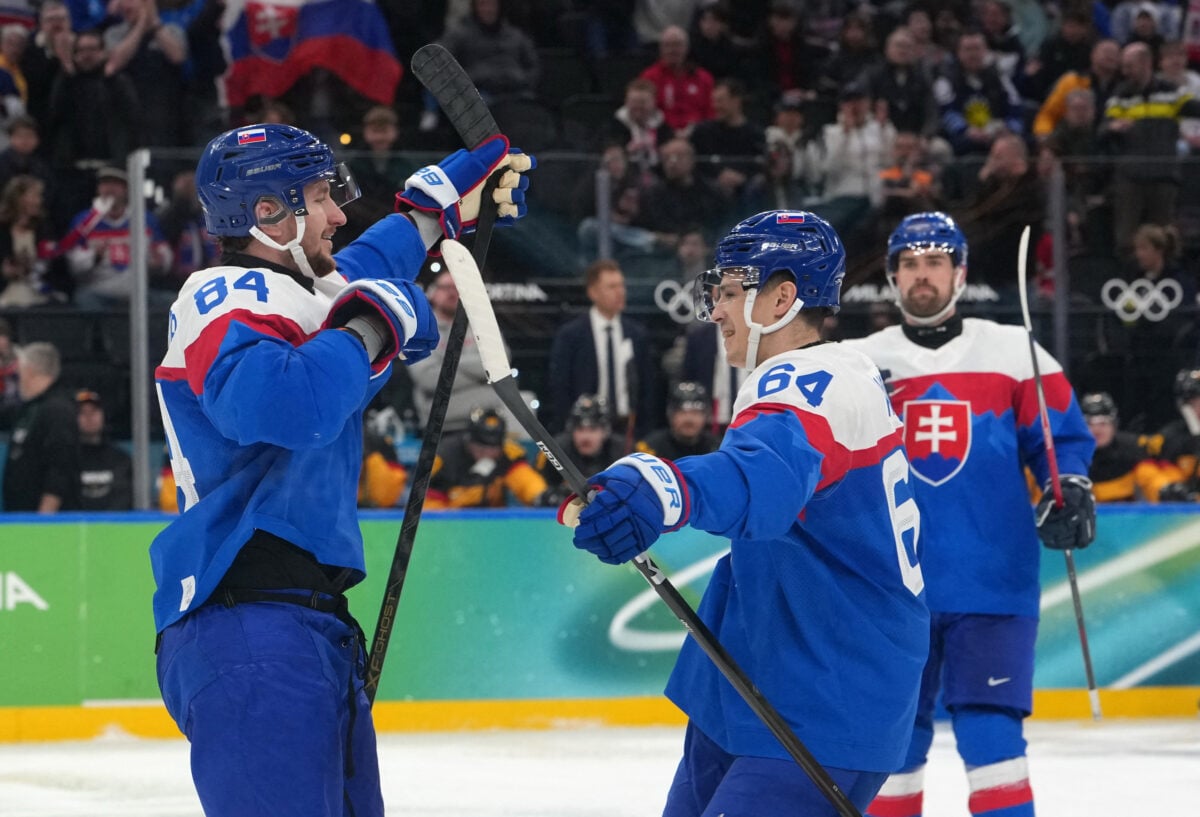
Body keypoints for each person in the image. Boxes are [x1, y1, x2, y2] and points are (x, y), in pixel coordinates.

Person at [150, 122, 533, 816]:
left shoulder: (299, 291)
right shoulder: (223, 296)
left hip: (301, 628)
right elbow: (289, 403)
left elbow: (362, 268)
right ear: (267, 213)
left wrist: (431, 208)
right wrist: (374, 326)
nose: (336, 214)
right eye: (320, 197)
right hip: (250, 628)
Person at [563, 209, 929, 816]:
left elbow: (763, 480)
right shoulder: (834, 370)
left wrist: (664, 485)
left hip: (823, 693)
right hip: (766, 678)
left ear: (784, 297)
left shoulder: (807, 382)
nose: (716, 310)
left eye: (731, 292)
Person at [839, 212, 1096, 817]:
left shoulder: (1013, 352)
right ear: (893, 277)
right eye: (908, 264)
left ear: (960, 273)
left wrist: (1072, 490)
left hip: (993, 581)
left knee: (992, 737)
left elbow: (1062, 445)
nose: (920, 276)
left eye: (934, 262)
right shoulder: (857, 361)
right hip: (892, 585)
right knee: (894, 747)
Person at [547, 258, 658, 439]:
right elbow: (560, 389)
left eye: (621, 286)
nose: (620, 292)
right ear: (593, 292)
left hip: (627, 431)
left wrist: (643, 433)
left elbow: (647, 388)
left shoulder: (637, 334)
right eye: (612, 287)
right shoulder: (571, 335)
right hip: (585, 431)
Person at [406, 268, 506, 433]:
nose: (452, 293)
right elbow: (428, 379)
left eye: (458, 287)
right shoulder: (419, 330)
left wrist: (447, 362)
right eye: (446, 287)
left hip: (491, 424)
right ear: (433, 293)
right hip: (439, 428)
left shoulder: (483, 325)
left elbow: (500, 364)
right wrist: (481, 375)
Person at [1, 341, 79, 512]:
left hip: (44, 524)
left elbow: (60, 468)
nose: (18, 376)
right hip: (22, 518)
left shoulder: (58, 410)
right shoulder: (30, 408)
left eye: (20, 370)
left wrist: (43, 520)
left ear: (30, 370)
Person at [426, 406, 549, 509]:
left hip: (493, 523)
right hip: (449, 524)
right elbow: (427, 506)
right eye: (482, 449)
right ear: (469, 442)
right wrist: (468, 496)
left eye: (494, 448)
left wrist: (540, 496)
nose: (488, 454)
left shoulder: (507, 453)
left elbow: (524, 479)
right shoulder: (444, 456)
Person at [1080, 390, 1179, 502]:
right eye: (1089, 424)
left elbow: (1151, 478)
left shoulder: (1131, 449)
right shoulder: (1072, 455)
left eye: (1103, 423)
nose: (1097, 430)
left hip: (1128, 517)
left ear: (1114, 425)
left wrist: (1165, 489)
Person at [536, 393, 624, 506]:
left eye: (593, 429)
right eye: (580, 429)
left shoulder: (622, 453)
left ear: (605, 431)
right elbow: (537, 490)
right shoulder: (555, 450)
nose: (585, 437)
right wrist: (551, 496)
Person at [76, 388, 133, 511]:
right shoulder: (65, 459)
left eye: (94, 411)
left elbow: (126, 499)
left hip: (115, 527)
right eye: (82, 412)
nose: (89, 417)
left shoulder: (121, 459)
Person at [636, 380, 720, 459]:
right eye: (682, 413)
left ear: (706, 415)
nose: (689, 419)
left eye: (695, 413)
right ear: (670, 414)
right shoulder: (650, 449)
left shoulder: (717, 449)